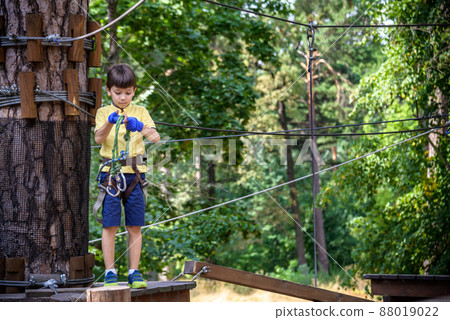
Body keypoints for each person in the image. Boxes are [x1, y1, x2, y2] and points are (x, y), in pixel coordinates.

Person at [94, 64, 160, 288]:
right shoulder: (104, 112)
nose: (123, 98)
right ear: (108, 90)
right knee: (110, 226)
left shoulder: (140, 111)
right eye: (118, 92)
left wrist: (141, 126)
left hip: (135, 176)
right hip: (111, 175)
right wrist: (109, 123)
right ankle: (110, 272)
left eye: (128, 93)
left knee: (134, 226)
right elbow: (98, 139)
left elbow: (155, 138)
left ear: (134, 90)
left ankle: (134, 271)